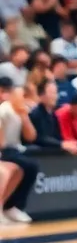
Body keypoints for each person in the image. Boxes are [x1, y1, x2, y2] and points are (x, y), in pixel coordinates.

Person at [0, 77, 39, 224]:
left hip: (15, 149)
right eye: (20, 96)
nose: (23, 99)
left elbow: (31, 137)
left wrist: (24, 116)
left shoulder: (21, 111)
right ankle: (6, 206)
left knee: (30, 165)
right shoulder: (3, 109)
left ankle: (12, 207)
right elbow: (2, 143)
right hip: (5, 150)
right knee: (24, 166)